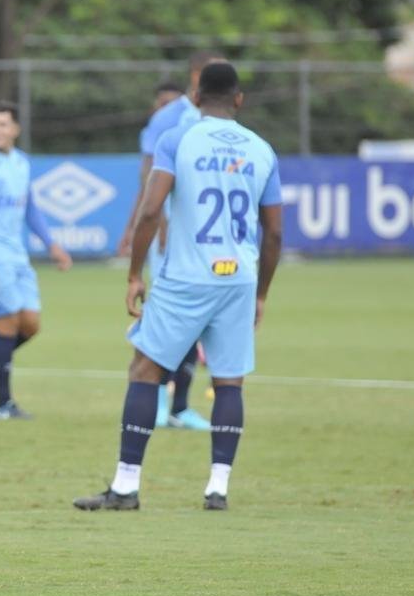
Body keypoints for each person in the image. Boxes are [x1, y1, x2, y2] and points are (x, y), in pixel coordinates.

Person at [74, 62, 283, 512]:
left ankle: (126, 487)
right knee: (229, 381)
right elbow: (275, 234)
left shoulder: (177, 139)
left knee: (145, 372)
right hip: (239, 278)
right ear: (239, 100)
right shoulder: (263, 149)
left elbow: (151, 211)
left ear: (195, 96)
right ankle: (218, 489)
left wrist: (134, 274)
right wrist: (262, 293)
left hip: (186, 277)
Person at [119, 54, 223, 430]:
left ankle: (180, 406)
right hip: (170, 237)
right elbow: (150, 173)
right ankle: (158, 398)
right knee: (163, 316)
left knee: (199, 321)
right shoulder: (168, 118)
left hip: (205, 241)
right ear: (195, 76)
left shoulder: (219, 120)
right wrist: (153, 220)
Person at [0, 102, 73, 420]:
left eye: (2, 124)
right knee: (7, 325)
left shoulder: (21, 162)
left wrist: (52, 244)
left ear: (15, 129)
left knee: (30, 326)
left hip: (16, 254)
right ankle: (4, 404)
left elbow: (29, 207)